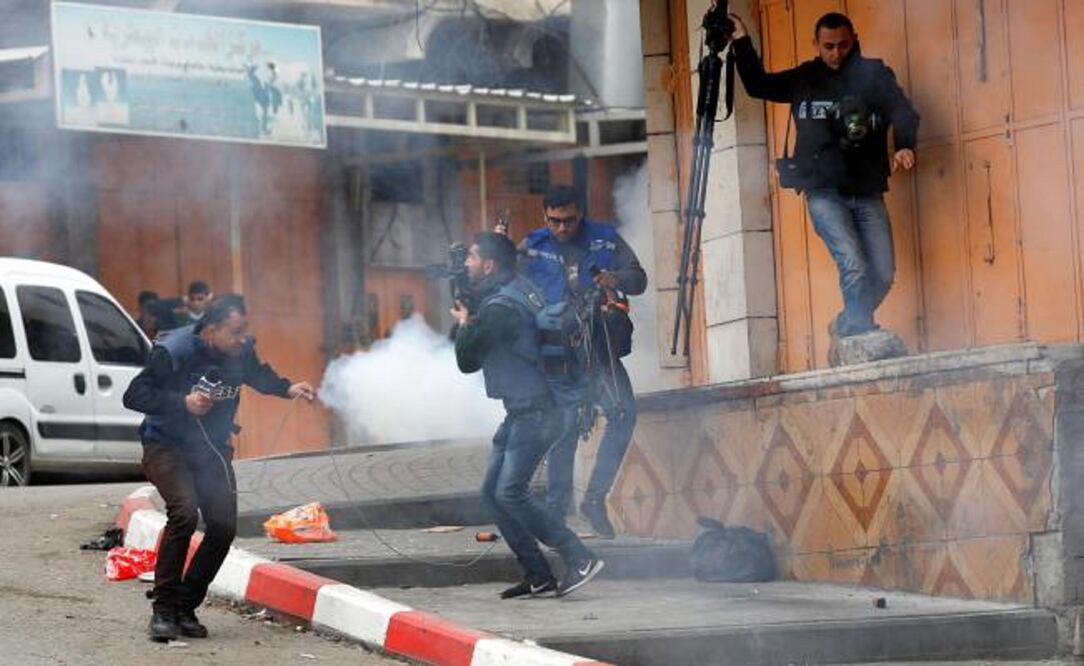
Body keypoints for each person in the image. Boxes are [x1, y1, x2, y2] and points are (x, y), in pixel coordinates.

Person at [122, 293, 315, 641]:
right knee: (184, 512)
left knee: (224, 525)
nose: (242, 340)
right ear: (211, 330)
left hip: (210, 450)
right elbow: (134, 395)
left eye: (245, 333)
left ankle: (185, 605)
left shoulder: (240, 350)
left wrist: (288, 388)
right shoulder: (174, 351)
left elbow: (257, 374)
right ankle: (163, 610)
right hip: (165, 445)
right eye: (235, 332)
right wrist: (182, 402)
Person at [729, 11, 919, 338]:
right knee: (854, 265)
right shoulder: (805, 77)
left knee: (883, 274)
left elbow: (903, 112)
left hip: (867, 190)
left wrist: (904, 145)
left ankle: (846, 324)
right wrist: (741, 40)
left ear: (854, 40)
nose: (836, 53)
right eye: (828, 46)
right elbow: (758, 85)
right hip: (823, 192)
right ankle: (861, 336)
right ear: (816, 44)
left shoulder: (874, 74)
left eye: (843, 45)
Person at [452, 232, 604, 599]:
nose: (466, 264)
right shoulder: (521, 288)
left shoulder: (499, 308)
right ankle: (538, 574)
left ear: (488, 265)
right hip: (528, 410)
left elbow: (466, 361)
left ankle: (579, 557)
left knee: (511, 492)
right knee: (492, 493)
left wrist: (464, 323)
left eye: (471, 257)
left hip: (537, 411)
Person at [518, 184, 647, 539]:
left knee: (624, 415)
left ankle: (594, 499)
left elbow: (640, 279)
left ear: (581, 214)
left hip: (600, 348)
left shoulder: (606, 239)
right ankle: (557, 513)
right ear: (545, 217)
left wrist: (614, 278)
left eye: (570, 221)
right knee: (565, 427)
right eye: (555, 221)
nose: (563, 228)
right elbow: (509, 285)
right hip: (556, 352)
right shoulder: (532, 246)